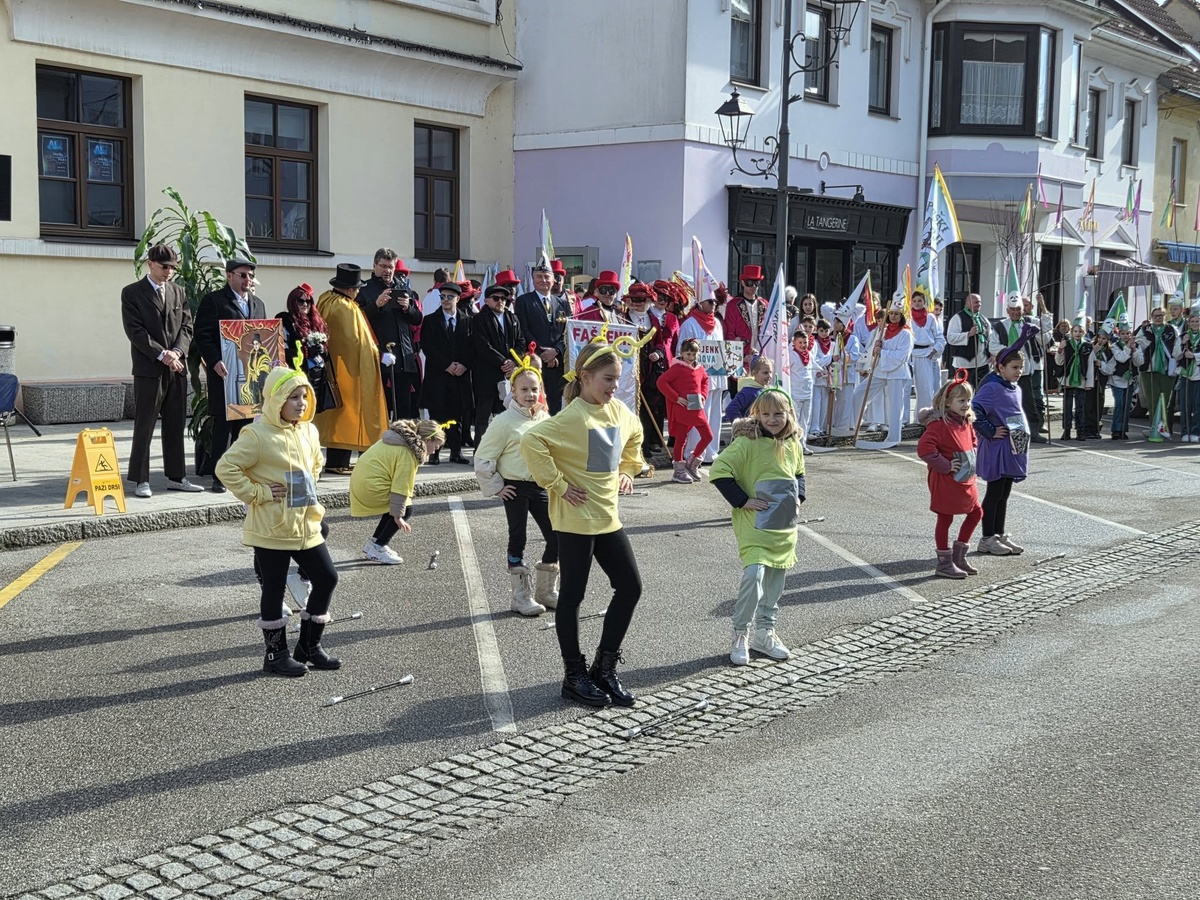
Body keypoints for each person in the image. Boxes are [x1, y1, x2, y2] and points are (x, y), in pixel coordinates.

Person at [520, 340, 646, 709]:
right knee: (572, 597)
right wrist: (558, 484)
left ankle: (604, 669)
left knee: (630, 587)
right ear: (586, 378)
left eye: (618, 379)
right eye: (607, 379)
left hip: (607, 518)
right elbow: (531, 440)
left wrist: (628, 469)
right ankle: (573, 676)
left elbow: (635, 435)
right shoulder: (571, 417)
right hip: (574, 520)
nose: (614, 386)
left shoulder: (619, 410)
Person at [214, 366, 339, 677]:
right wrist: (259, 493)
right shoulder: (257, 435)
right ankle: (275, 655)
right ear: (276, 400)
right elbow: (226, 468)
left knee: (327, 577)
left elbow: (316, 462)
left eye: (304, 396)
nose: (301, 403)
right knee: (273, 589)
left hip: (306, 524)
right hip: (271, 527)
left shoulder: (309, 430)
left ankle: (308, 647)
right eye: (293, 397)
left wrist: (309, 485)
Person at [710, 388, 806, 666]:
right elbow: (719, 471)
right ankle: (741, 632)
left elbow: (799, 473)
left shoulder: (793, 443)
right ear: (757, 415)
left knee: (775, 581)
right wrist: (743, 500)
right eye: (766, 414)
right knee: (754, 574)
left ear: (789, 413)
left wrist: (798, 497)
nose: (772, 419)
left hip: (783, 528)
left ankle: (765, 633)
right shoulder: (747, 443)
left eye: (778, 413)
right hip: (754, 524)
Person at [475, 352, 559, 615]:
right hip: (515, 487)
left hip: (540, 486)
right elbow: (483, 457)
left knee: (557, 535)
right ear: (513, 391)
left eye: (535, 389)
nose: (530, 394)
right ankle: (520, 597)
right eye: (524, 389)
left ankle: (545, 591)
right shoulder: (503, 422)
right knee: (518, 537)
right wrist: (497, 486)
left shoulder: (545, 419)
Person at [121, 243, 203, 498]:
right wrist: (162, 354)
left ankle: (177, 477)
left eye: (172, 268)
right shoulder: (132, 293)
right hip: (149, 368)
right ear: (150, 264)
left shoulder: (178, 291)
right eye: (164, 266)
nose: (169, 272)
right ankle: (141, 480)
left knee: (175, 423)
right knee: (145, 423)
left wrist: (177, 352)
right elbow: (135, 331)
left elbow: (187, 326)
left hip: (176, 367)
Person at [195, 258, 266, 492]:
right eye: (242, 275)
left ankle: (241, 471)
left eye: (250, 276)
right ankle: (219, 476)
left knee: (246, 425)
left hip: (250, 375)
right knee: (224, 426)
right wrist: (214, 360)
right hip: (225, 373)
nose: (248, 280)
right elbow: (202, 335)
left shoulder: (257, 303)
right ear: (229, 276)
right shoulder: (214, 301)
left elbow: (263, 336)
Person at [313, 263, 388, 474]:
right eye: (356, 289)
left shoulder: (327, 298)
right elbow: (355, 342)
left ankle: (338, 461)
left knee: (337, 414)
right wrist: (375, 354)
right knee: (347, 414)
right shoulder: (345, 307)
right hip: (348, 370)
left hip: (334, 367)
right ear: (349, 289)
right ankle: (338, 462)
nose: (358, 292)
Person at [972, 326, 1036, 556]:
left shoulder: (1014, 387)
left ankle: (999, 534)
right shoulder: (992, 387)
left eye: (1021, 367)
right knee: (994, 493)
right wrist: (989, 430)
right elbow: (974, 410)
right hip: (998, 447)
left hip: (1014, 445)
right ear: (1001, 368)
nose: (1019, 372)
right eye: (1014, 367)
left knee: (1005, 493)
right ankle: (987, 538)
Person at [349, 419, 446, 564]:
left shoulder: (397, 439)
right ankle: (378, 548)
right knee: (406, 508)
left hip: (361, 485)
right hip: (371, 488)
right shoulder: (408, 453)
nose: (434, 451)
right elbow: (401, 488)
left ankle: (374, 542)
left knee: (395, 506)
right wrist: (398, 517)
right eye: (436, 447)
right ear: (427, 440)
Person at [916, 373, 982, 579]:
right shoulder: (939, 424)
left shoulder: (966, 421)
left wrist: (972, 456)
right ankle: (944, 562)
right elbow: (924, 449)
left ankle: (959, 556)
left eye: (968, 400)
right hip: (946, 480)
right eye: (961, 400)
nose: (966, 404)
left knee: (976, 512)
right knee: (945, 517)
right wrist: (945, 465)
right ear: (947, 402)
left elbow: (973, 441)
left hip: (965, 478)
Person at [358, 249, 422, 420]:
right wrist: (376, 305)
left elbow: (417, 319)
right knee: (380, 406)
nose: (387, 270)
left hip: (404, 356)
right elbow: (358, 320)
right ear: (374, 266)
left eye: (390, 267)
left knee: (404, 407)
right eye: (383, 266)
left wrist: (408, 308)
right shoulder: (364, 290)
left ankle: (401, 436)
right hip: (379, 356)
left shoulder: (402, 287)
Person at [420, 281, 474, 465]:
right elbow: (428, 346)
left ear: (458, 299)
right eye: (442, 296)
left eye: (450, 297)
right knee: (437, 415)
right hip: (439, 375)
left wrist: (464, 364)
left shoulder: (467, 320)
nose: (445, 300)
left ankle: (456, 452)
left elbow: (472, 347)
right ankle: (434, 452)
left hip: (459, 376)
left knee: (456, 416)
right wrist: (447, 365)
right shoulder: (430, 320)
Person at [676, 286, 727, 462]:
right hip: (696, 379)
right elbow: (681, 351)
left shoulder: (717, 323)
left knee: (714, 415)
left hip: (716, 376)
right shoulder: (689, 324)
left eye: (714, 302)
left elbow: (721, 350)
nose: (713, 305)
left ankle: (711, 452)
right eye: (709, 301)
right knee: (697, 415)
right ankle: (693, 451)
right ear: (699, 302)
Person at [470, 282, 525, 443]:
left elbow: (521, 342)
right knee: (483, 414)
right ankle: (480, 449)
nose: (500, 301)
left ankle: (505, 449)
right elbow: (482, 345)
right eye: (496, 298)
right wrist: (503, 362)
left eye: (504, 299)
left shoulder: (512, 318)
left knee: (507, 413)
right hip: (486, 373)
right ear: (486, 300)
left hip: (509, 374)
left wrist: (513, 362)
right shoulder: (479, 319)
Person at [514, 262, 571, 415]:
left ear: (553, 280)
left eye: (547, 277)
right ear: (533, 279)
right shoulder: (524, 301)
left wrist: (556, 351)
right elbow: (524, 330)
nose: (543, 280)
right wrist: (543, 354)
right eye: (539, 276)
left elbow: (567, 332)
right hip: (533, 361)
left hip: (556, 363)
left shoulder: (563, 304)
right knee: (533, 403)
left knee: (554, 405)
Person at [988, 294, 1047, 443]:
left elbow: (1046, 328)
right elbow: (992, 346)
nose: (1015, 312)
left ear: (1023, 310)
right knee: (1008, 402)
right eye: (1012, 309)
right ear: (1007, 310)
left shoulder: (1030, 322)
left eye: (1018, 309)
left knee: (1028, 402)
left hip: (1024, 370)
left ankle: (1033, 431)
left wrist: (1042, 306)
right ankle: (1010, 430)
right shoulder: (1000, 326)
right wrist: (1009, 350)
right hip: (1005, 371)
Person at [857, 296, 914, 448]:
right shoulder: (882, 331)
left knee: (895, 405)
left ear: (901, 316)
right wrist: (875, 350)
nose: (893, 316)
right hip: (880, 370)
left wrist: (881, 352)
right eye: (892, 313)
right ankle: (853, 424)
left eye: (897, 314)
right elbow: (872, 349)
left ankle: (894, 438)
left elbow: (902, 356)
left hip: (897, 372)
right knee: (859, 393)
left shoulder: (906, 334)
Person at [657, 337, 713, 484]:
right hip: (683, 409)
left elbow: (705, 380)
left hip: (697, 409)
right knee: (681, 439)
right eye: (688, 354)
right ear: (681, 353)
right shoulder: (677, 368)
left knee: (708, 436)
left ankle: (692, 463)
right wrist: (676, 398)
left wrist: (703, 396)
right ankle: (678, 470)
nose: (691, 357)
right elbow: (661, 382)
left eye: (694, 354)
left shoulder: (699, 368)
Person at [624, 281, 670, 456]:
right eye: (634, 299)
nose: (637, 303)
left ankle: (646, 445)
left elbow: (660, 342)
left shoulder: (653, 320)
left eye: (641, 299)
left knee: (648, 407)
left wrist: (657, 353)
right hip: (628, 369)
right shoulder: (622, 318)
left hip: (649, 370)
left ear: (648, 300)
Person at [278, 284, 337, 414]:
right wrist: (305, 352)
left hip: (318, 377)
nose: (305, 304)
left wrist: (322, 350)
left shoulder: (316, 322)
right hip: (298, 375)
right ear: (293, 302)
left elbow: (326, 355)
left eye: (308, 301)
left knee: (313, 412)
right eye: (301, 301)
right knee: (299, 412)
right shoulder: (286, 322)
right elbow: (281, 351)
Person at [1135, 305, 1179, 437]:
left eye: (1161, 316)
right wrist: (1148, 340)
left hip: (1167, 369)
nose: (1158, 318)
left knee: (1165, 400)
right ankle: (1154, 428)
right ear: (1151, 317)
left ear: (1165, 316)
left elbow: (1177, 347)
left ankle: (1164, 427)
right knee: (1152, 400)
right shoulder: (1145, 329)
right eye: (1156, 316)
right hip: (1149, 369)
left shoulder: (1172, 329)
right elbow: (1137, 343)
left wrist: (1176, 357)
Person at [1097, 317, 1141, 440]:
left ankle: (1123, 430)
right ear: (1119, 334)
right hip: (1117, 379)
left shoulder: (1135, 346)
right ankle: (1116, 429)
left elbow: (1139, 362)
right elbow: (1121, 358)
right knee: (1119, 403)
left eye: (1128, 333)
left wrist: (1134, 350)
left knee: (1127, 405)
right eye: (1123, 334)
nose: (1126, 336)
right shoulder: (1115, 346)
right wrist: (1128, 347)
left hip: (1130, 380)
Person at [1054, 318, 1093, 441]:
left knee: (1080, 407)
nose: (1077, 333)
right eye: (1075, 331)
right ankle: (1066, 431)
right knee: (1067, 407)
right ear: (1071, 332)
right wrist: (1060, 349)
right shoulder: (1066, 344)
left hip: (1081, 380)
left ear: (1084, 332)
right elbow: (1059, 361)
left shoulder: (1087, 346)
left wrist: (1089, 382)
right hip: (1068, 379)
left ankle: (1080, 431)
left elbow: (1090, 365)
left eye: (1080, 331)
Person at [909, 289, 945, 417]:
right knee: (905, 388)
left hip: (925, 353)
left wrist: (935, 350)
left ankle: (923, 417)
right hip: (909, 354)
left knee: (925, 388)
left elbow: (939, 337)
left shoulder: (930, 318)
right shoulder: (907, 317)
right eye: (914, 301)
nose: (917, 303)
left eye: (920, 301)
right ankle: (903, 420)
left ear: (924, 302)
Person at [945, 293, 992, 389]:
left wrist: (992, 353)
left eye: (980, 302)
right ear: (967, 303)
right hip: (964, 364)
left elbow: (990, 337)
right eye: (976, 302)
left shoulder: (983, 319)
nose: (979, 304)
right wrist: (968, 334)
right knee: (965, 392)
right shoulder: (957, 318)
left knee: (983, 390)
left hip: (982, 363)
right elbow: (950, 338)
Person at [723, 265, 768, 363]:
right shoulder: (733, 305)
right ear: (743, 283)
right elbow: (730, 333)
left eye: (756, 283)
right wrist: (741, 356)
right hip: (740, 358)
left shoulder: (764, 304)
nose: (753, 286)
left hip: (762, 358)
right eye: (750, 283)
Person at [789, 326, 816, 451]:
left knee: (805, 421)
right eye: (800, 342)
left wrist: (828, 363)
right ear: (794, 342)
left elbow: (814, 366)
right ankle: (794, 446)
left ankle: (803, 445)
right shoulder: (791, 355)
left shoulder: (809, 354)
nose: (803, 345)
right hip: (796, 393)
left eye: (805, 342)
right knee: (795, 420)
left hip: (808, 392)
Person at [725, 355, 773, 422]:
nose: (769, 376)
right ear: (754, 373)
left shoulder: (768, 390)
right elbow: (731, 409)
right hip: (753, 427)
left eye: (770, 372)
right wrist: (742, 425)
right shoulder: (748, 392)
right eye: (765, 373)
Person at [1177, 311, 1200, 442]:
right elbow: (1176, 355)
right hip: (1186, 374)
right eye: (1192, 322)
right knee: (1185, 405)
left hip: (1198, 375)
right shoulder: (1183, 336)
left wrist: (1194, 356)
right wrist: (1182, 343)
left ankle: (1195, 431)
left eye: (1197, 321)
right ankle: (1185, 431)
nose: (1195, 324)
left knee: (1198, 406)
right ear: (1189, 323)